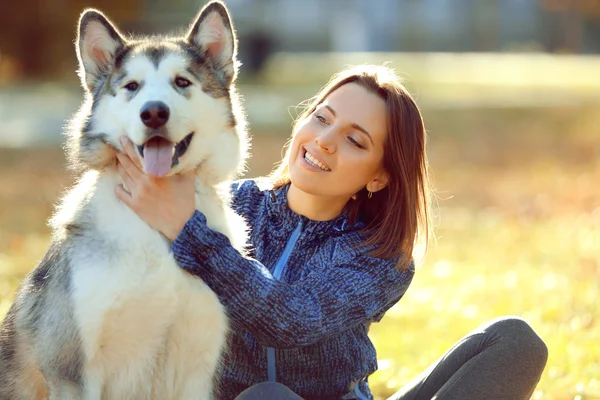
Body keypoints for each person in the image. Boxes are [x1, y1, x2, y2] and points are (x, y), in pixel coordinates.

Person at [115, 65, 548, 400]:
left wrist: (188, 234)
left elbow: (292, 319)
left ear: (378, 177)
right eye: (321, 118)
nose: (323, 140)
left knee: (515, 340)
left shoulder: (380, 255)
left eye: (355, 141)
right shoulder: (225, 204)